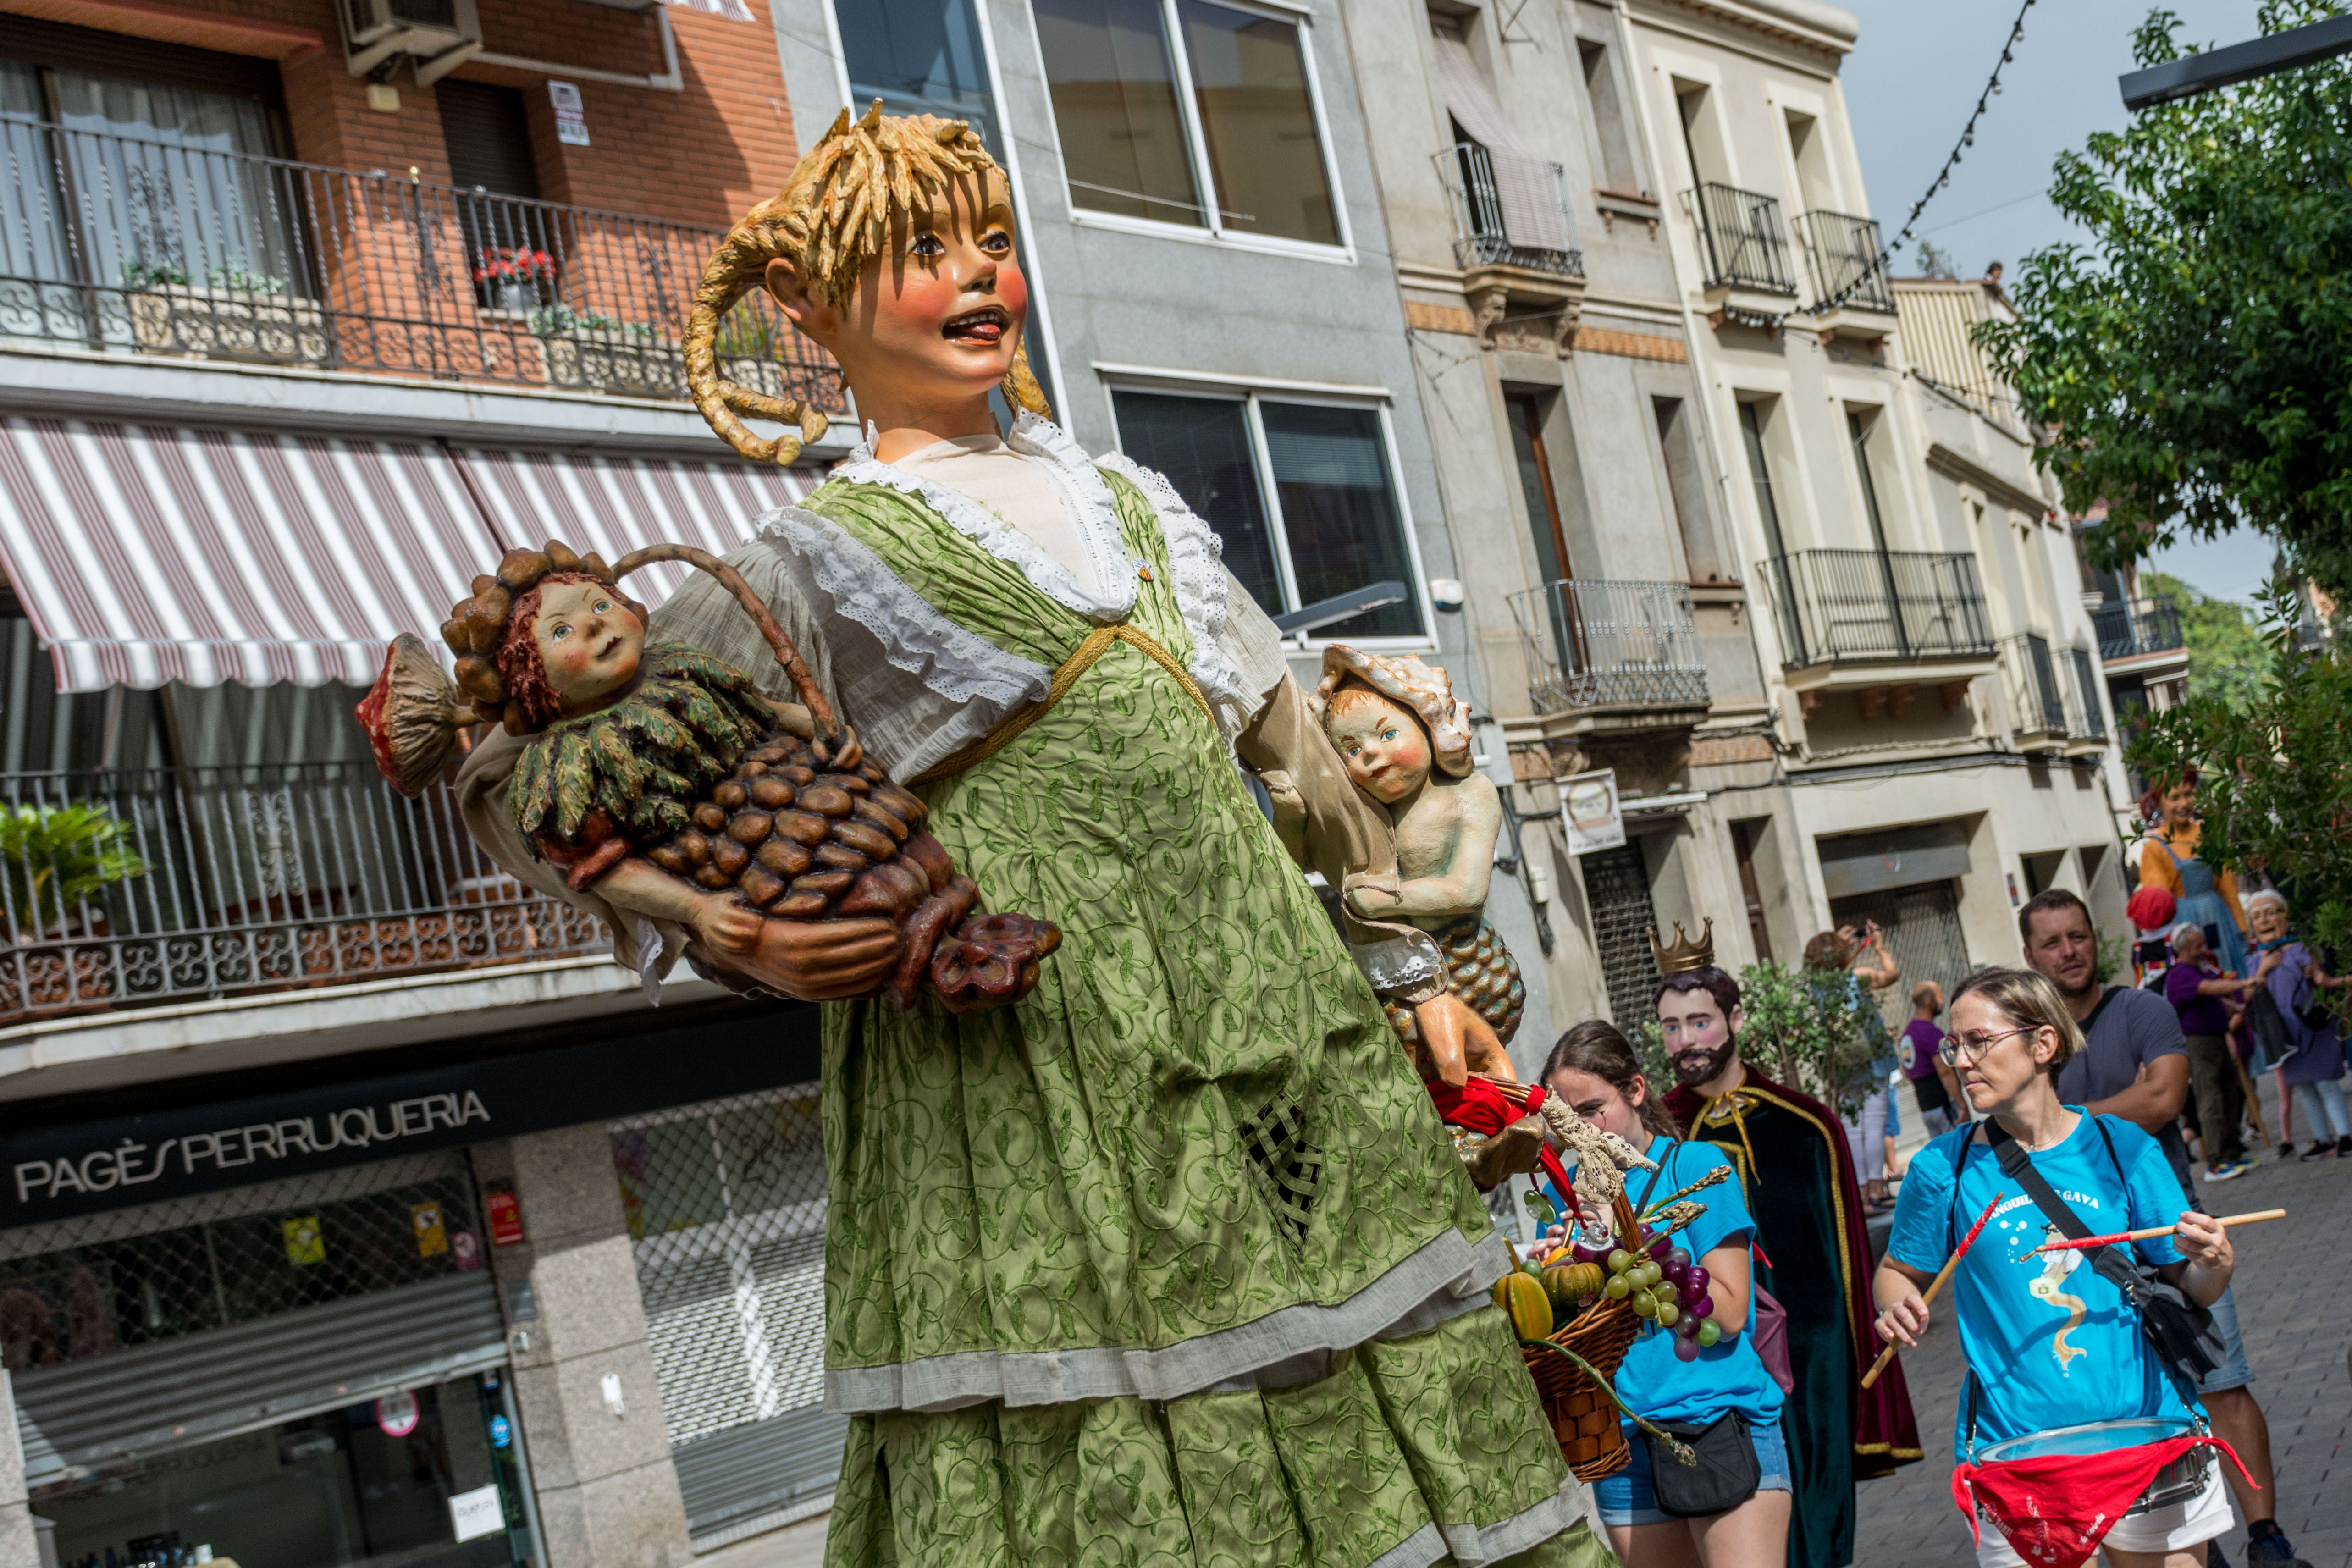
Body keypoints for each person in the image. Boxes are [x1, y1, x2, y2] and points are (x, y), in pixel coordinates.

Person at [453, 107, 1609, 1565]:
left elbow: (1290, 759)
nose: (978, 276)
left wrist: (1411, 969)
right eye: (922, 251)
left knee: (1375, 1349)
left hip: (1279, 1016)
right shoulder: (812, 556)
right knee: (1127, 1411)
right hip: (1039, 1058)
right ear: (809, 306)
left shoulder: (1134, 501)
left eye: (991, 241)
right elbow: (525, 766)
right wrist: (734, 929)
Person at [1873, 967, 2239, 1568]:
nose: (1960, 1062)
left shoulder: (2122, 1148)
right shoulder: (1943, 1167)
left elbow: (2193, 1286)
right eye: (1952, 1045)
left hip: (2146, 1435)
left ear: (2041, 1044)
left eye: (1978, 1042)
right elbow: (1896, 1271)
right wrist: (1893, 1304)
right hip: (2018, 1450)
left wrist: (2215, 1262)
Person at [2019, 888, 2309, 1568]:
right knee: (2140, 1414)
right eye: (2052, 942)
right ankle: (2192, 1552)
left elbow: (2163, 1098)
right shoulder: (2027, 1038)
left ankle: (2265, 1536)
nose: (2069, 951)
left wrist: (2059, 1130)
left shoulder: (2141, 1010)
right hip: (2080, 1257)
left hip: (2173, 1231)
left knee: (2222, 1382)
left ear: (2099, 940)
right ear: (2028, 955)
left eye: (2078, 936)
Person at [1656, 933, 1921, 1568]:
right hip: (1715, 1362)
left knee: (1819, 1517)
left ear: (1734, 1020)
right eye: (1670, 1027)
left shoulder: (1806, 1123)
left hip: (1814, 1355)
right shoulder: (1661, 1136)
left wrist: (1859, 1368)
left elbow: (1852, 1264)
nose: (1686, 1041)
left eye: (1699, 1022)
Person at [1543, 1019, 1791, 1568]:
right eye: (1563, 1120)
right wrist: (1552, 1280)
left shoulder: (1696, 1168)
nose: (1579, 1132)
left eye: (1590, 1110)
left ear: (1634, 1090)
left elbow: (1726, 1314)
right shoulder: (1568, 1200)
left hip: (1716, 1422)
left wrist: (1622, 1240)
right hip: (1618, 1442)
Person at [2246, 888, 2352, 1158]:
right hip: (2284, 1036)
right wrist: (2263, 970)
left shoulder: (2303, 949)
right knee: (2304, 1087)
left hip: (2312, 1028)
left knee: (2326, 1083)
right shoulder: (2255, 961)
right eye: (2257, 916)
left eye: (2271, 912)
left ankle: (2345, 1136)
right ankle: (2322, 1139)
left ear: (2285, 915)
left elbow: (2322, 981)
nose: (2264, 921)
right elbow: (2247, 994)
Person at [1805, 925, 1901, 1211]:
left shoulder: (1816, 988)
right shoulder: (1857, 978)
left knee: (1852, 1126)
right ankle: (1876, 1188)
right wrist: (1878, 948)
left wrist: (1838, 948)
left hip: (1841, 1067)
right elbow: (1892, 975)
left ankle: (1859, 1194)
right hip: (1874, 1059)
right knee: (1874, 1125)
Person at [2162, 923, 2260, 1182]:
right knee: (2211, 1098)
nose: (2203, 950)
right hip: (2199, 1042)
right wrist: (2244, 983)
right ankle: (2216, 1161)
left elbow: (2213, 996)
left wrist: (2234, 1008)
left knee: (2230, 1094)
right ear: (2182, 948)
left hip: (2216, 1036)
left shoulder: (2197, 969)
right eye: (2197, 946)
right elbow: (2208, 989)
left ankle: (2232, 1152)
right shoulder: (2180, 974)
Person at [2140, 767, 2252, 975]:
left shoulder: (2209, 835)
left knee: (2228, 972)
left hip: (2219, 919)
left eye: (2188, 794)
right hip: (2183, 929)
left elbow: (2228, 886)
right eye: (2174, 798)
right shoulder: (2155, 848)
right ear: (2159, 803)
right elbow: (2159, 906)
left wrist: (2242, 927)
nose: (2184, 804)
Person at [1900, 981, 1967, 1137]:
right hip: (1943, 1107)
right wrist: (1962, 1105)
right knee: (1958, 1151)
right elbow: (1945, 1072)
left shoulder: (1907, 1035)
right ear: (1930, 1001)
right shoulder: (1931, 1033)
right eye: (1940, 996)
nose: (1943, 1001)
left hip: (1926, 1110)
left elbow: (1907, 1072)